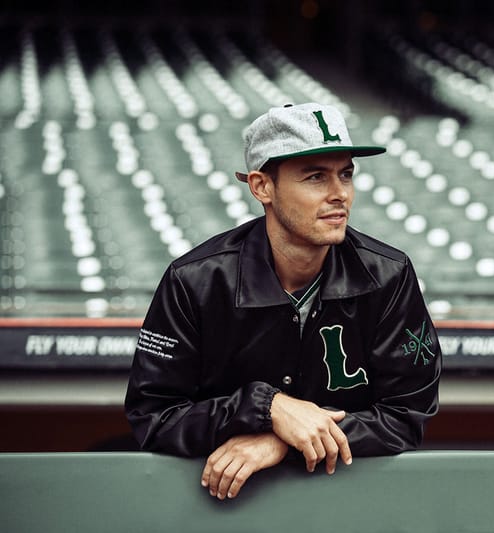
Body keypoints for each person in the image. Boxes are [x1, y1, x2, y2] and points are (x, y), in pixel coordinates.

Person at [125, 102, 441, 500]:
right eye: (315, 177)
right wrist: (267, 407)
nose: (339, 193)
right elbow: (153, 418)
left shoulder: (388, 275)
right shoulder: (195, 281)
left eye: (346, 174)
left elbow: (406, 417)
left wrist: (282, 441)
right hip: (221, 508)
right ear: (262, 187)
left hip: (347, 507)